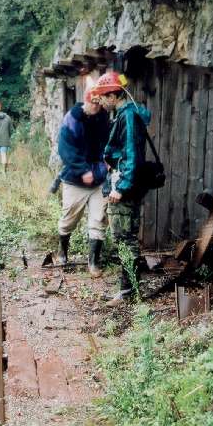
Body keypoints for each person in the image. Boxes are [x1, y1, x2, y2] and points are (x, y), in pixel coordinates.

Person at [90, 71, 154, 307]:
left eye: (103, 97)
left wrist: (121, 187)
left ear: (114, 95)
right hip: (123, 181)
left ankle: (128, 292)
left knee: (124, 239)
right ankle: (129, 290)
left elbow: (131, 154)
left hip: (123, 186)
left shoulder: (127, 116)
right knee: (126, 237)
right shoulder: (129, 114)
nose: (101, 101)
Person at [55, 88, 111, 277]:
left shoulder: (103, 117)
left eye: (98, 103)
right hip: (75, 179)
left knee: (98, 219)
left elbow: (108, 142)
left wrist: (108, 161)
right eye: (93, 103)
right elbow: (65, 150)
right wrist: (82, 170)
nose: (96, 106)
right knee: (68, 218)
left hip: (99, 178)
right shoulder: (72, 118)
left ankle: (93, 262)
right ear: (85, 101)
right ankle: (63, 251)